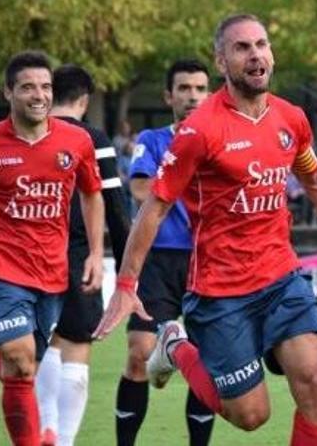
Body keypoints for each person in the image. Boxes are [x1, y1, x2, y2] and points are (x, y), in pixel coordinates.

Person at [93, 14, 317, 445]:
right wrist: (127, 284)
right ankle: (175, 346)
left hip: (281, 278)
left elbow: (315, 181)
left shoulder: (290, 120)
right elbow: (155, 206)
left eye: (262, 44)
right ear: (222, 61)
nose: (256, 54)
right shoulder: (201, 130)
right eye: (242, 47)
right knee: (251, 415)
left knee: (314, 375)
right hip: (220, 291)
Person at [0, 51, 104, 446]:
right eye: (28, 87)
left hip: (52, 272)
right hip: (0, 268)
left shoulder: (76, 140)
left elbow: (91, 193)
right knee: (19, 356)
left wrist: (97, 253)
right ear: (8, 92)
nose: (39, 95)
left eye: (45, 86)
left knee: (22, 367)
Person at [113, 59, 214, 446]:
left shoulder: (222, 139)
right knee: (139, 354)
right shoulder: (153, 140)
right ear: (168, 96)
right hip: (158, 260)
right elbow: (141, 191)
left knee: (206, 362)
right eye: (184, 88)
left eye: (200, 88)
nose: (193, 96)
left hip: (207, 261)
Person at [32, 64, 131, 446]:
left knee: (41, 345)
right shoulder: (91, 137)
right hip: (76, 253)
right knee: (76, 342)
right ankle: (61, 438)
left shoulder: (27, 132)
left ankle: (47, 429)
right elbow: (116, 207)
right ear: (85, 100)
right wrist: (128, 271)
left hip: (26, 253)